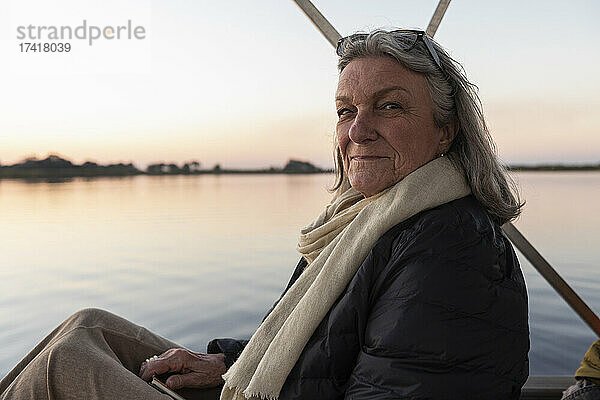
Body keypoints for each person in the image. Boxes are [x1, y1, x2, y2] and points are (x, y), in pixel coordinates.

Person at [0, 29, 529, 400]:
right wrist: (229, 362)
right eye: (347, 110)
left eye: (390, 106)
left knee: (66, 366)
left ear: (446, 129)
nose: (357, 130)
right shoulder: (370, 221)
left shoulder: (451, 249)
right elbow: (327, 350)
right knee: (89, 329)